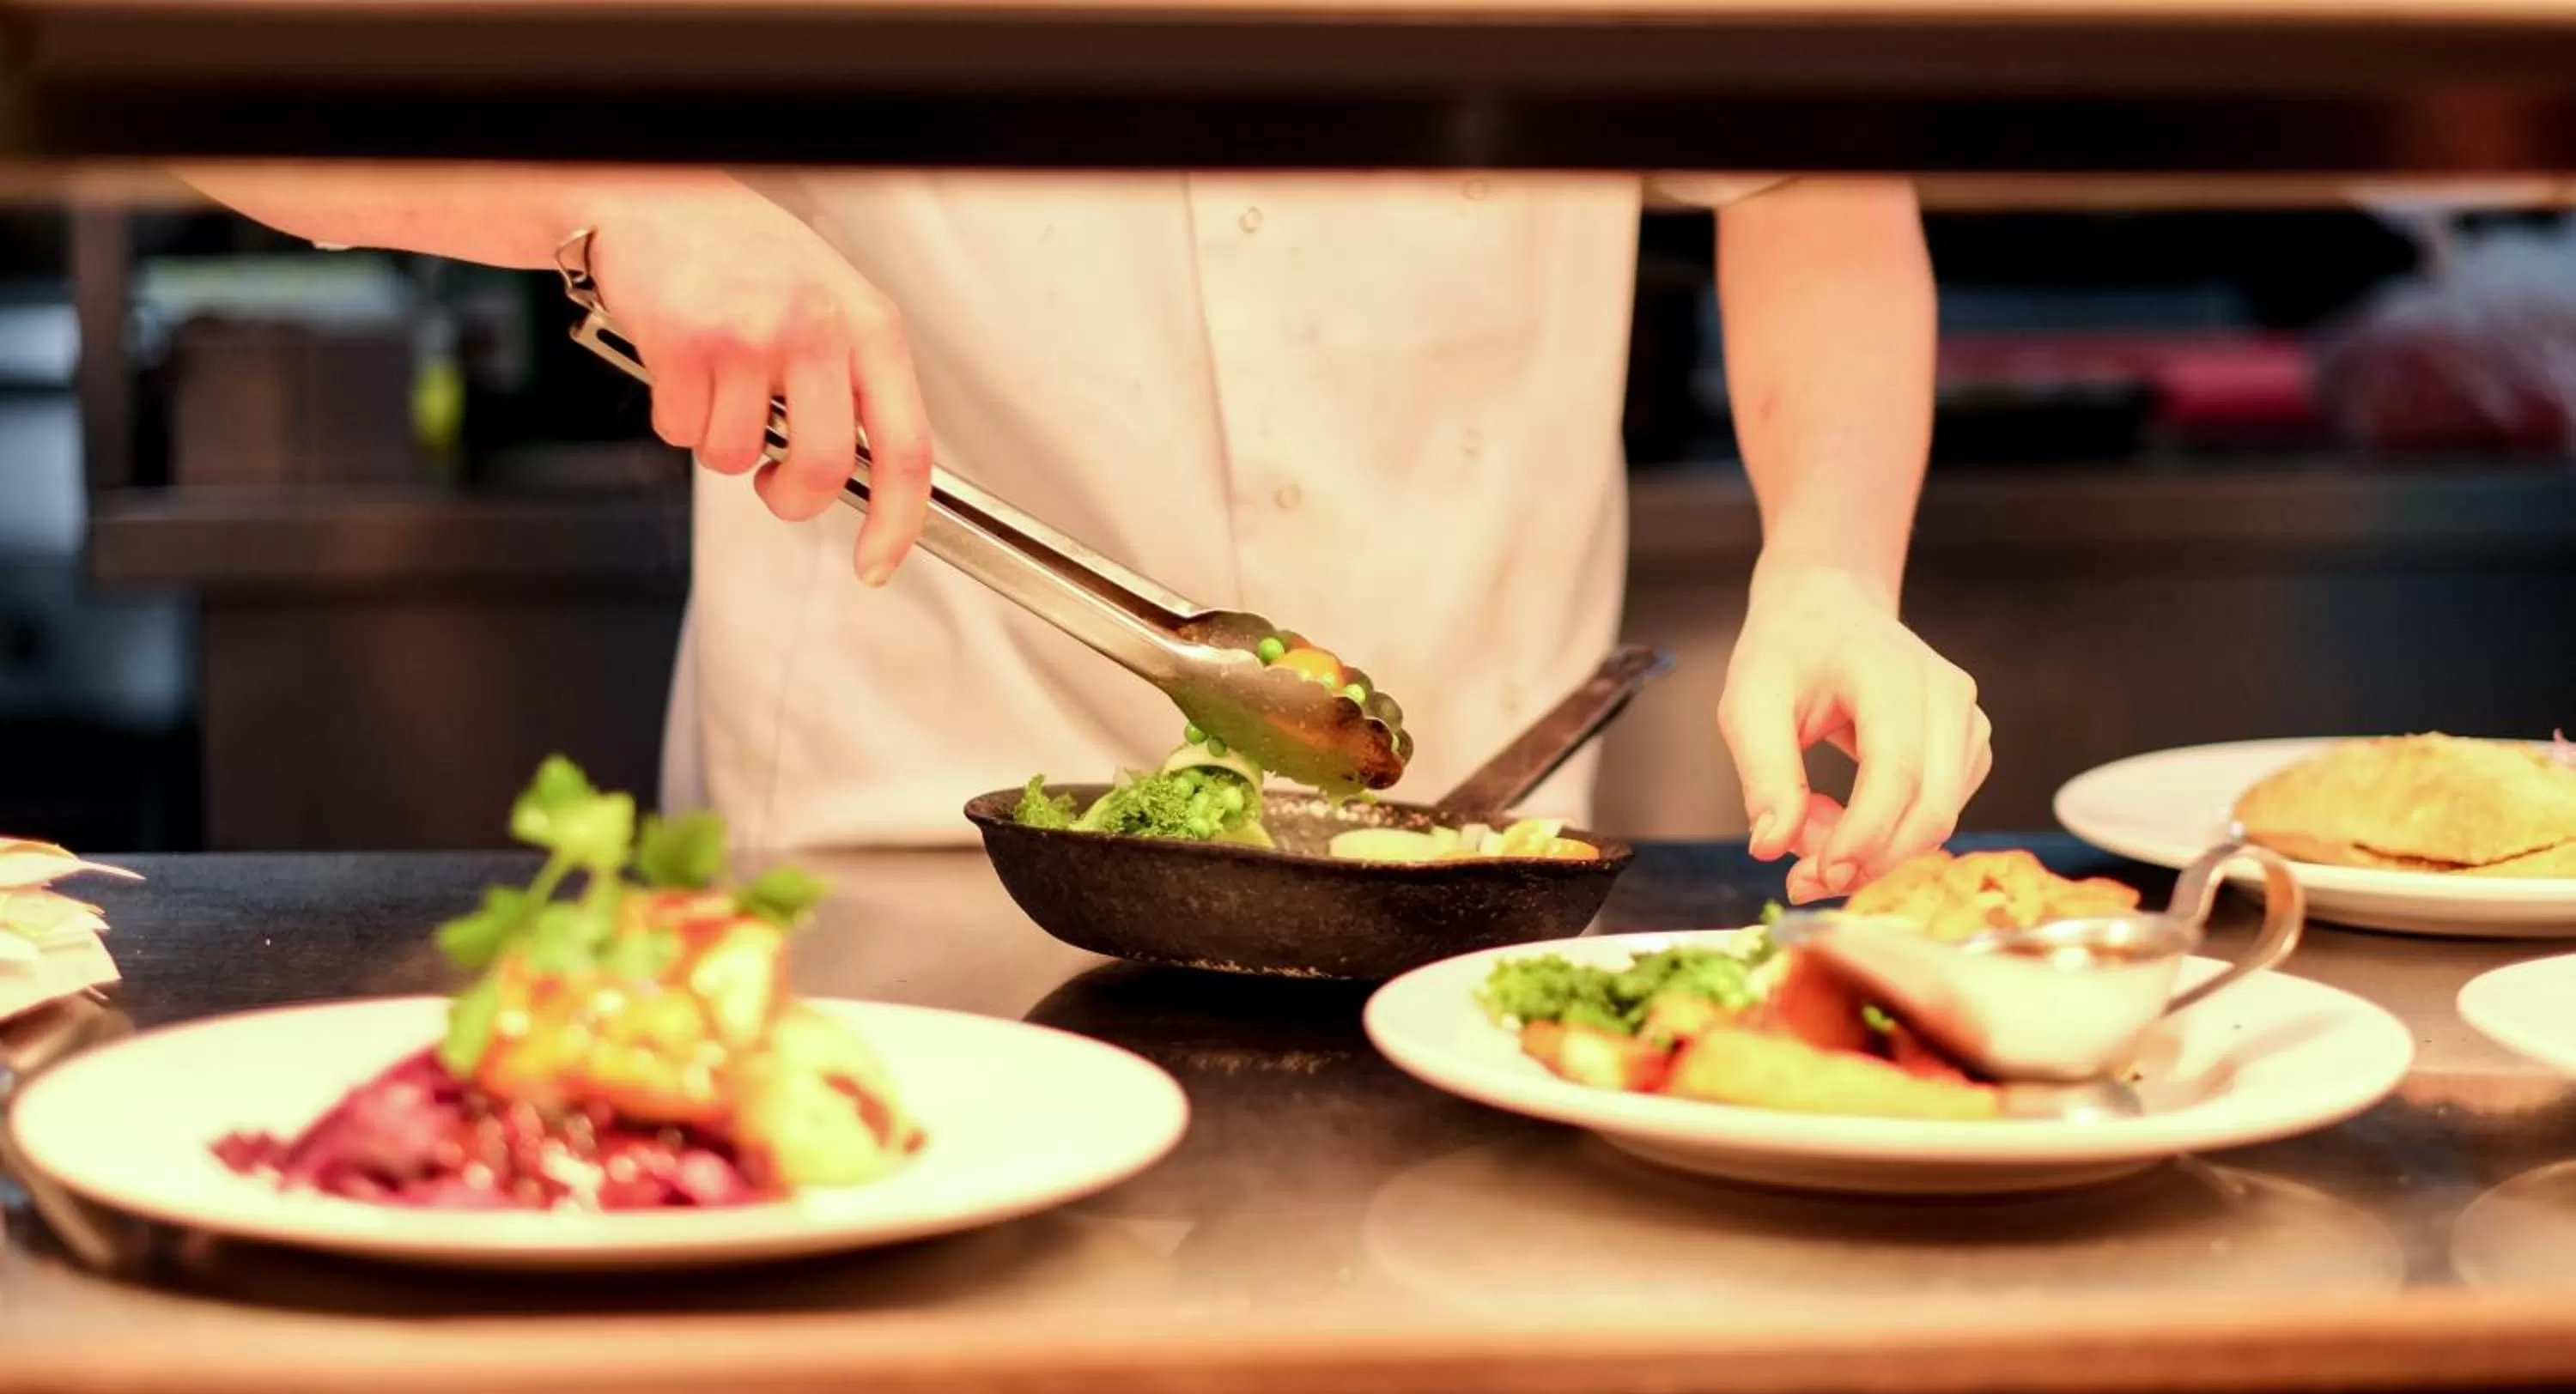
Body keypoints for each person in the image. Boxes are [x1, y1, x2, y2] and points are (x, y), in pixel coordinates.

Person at [176, 164, 1989, 902]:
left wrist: (1831, 560)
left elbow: (1808, 174)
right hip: (889, 903)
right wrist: (605, 196)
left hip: (1463, 912)